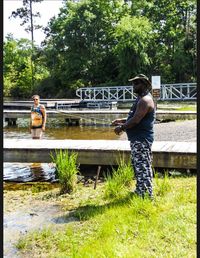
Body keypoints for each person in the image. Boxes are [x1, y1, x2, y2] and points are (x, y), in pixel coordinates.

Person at [111, 74, 155, 199]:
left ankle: (146, 195)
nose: (133, 86)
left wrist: (121, 128)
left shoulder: (145, 100)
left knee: (143, 167)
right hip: (137, 139)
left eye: (136, 83)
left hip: (142, 139)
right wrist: (121, 120)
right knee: (138, 166)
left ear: (144, 84)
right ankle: (140, 191)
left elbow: (136, 120)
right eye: (133, 83)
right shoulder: (140, 99)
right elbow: (135, 117)